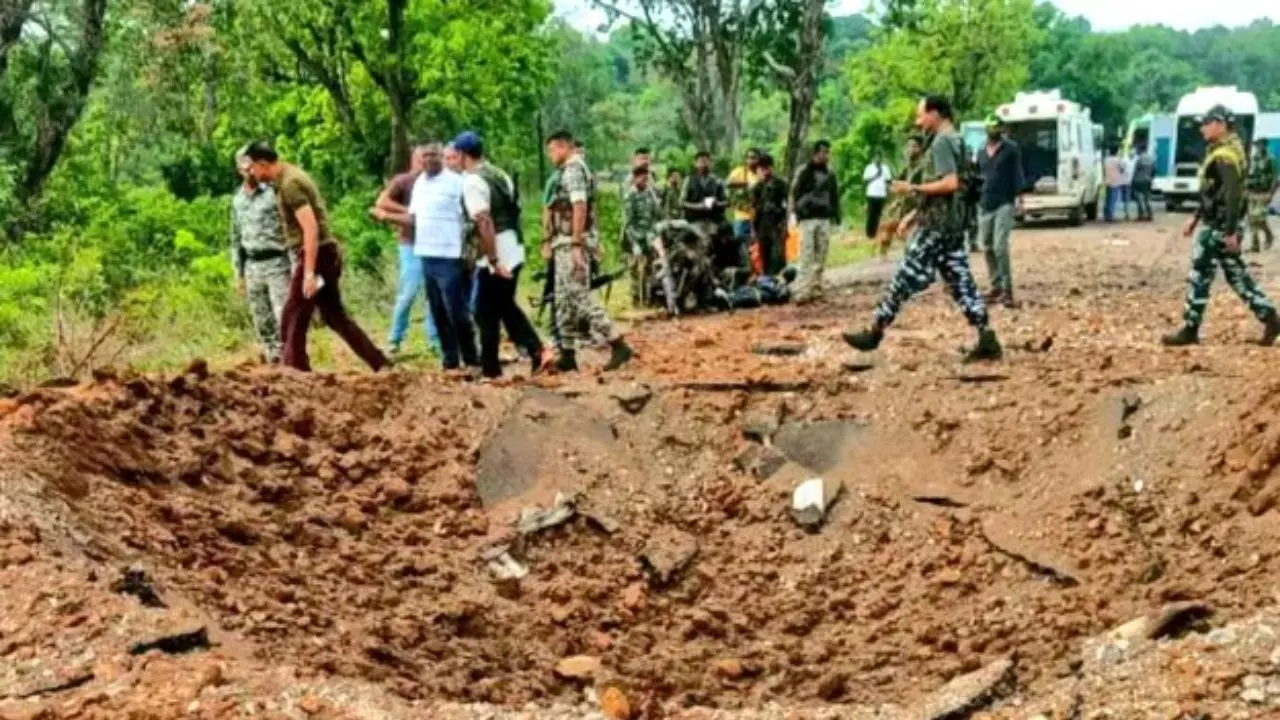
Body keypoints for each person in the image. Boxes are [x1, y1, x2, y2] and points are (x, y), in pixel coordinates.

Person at [843, 95, 1002, 362]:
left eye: (921, 115)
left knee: (904, 276)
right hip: (952, 224)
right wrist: (914, 214)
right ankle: (986, 336)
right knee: (961, 282)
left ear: (936, 113)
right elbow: (958, 188)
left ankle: (875, 331)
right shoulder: (958, 140)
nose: (918, 122)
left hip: (936, 226)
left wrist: (911, 188)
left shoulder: (941, 143)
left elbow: (949, 184)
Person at [243, 142, 389, 372]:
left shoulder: (290, 184)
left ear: (262, 164)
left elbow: (310, 228)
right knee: (334, 316)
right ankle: (380, 363)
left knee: (293, 314)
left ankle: (295, 371)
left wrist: (309, 273)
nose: (250, 173)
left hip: (318, 255)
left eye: (251, 168)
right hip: (323, 255)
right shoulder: (286, 178)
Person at [1162, 106, 1279, 348]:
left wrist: (1229, 231)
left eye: (1206, 123)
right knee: (1237, 275)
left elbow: (1232, 195)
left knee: (1200, 274)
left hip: (1218, 226)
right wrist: (1195, 217)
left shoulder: (1225, 155)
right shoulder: (1227, 150)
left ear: (1220, 124)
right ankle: (1270, 317)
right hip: (1218, 223)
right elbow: (1212, 192)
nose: (1202, 128)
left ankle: (1190, 328)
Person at [374, 142, 477, 370]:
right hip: (426, 253)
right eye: (425, 156)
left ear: (442, 157)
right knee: (438, 311)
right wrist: (385, 216)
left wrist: (470, 252)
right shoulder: (420, 183)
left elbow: (472, 218)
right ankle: (450, 360)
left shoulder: (457, 183)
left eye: (434, 155)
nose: (429, 159)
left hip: (450, 255)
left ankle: (471, 358)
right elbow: (414, 218)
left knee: (456, 310)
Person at [452, 132, 544, 378]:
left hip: (497, 252)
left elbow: (484, 221)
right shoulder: (498, 174)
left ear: (462, 155)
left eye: (455, 155)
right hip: (513, 244)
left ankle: (538, 351)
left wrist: (493, 259)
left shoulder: (472, 181)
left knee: (501, 307)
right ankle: (490, 366)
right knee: (486, 309)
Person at [543, 130, 634, 372]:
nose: (550, 155)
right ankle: (568, 352)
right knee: (563, 300)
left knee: (579, 296)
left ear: (563, 146)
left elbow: (579, 205)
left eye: (551, 150)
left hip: (572, 242)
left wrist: (576, 243)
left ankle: (617, 342)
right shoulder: (568, 170)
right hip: (562, 241)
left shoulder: (573, 170)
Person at [372, 143, 441, 356]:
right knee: (409, 291)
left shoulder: (434, 182)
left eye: (428, 159)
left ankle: (434, 339)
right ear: (413, 160)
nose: (424, 163)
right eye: (421, 159)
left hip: (432, 243)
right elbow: (381, 202)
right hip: (410, 244)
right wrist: (410, 211)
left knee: (433, 293)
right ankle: (395, 338)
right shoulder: (403, 181)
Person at [230, 147, 291, 364]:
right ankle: (271, 357)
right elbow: (235, 238)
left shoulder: (273, 193)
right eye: (245, 169)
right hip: (253, 264)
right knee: (261, 317)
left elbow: (288, 228)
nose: (250, 173)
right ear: (239, 170)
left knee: (283, 313)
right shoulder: (237, 200)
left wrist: (294, 265)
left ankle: (290, 357)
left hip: (276, 261)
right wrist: (238, 273)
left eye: (251, 167)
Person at [975, 114, 1023, 307]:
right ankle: (996, 287)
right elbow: (977, 175)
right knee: (986, 246)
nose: (993, 131)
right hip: (986, 202)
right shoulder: (980, 151)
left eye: (997, 128)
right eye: (990, 128)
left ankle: (1007, 290)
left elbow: (1017, 174)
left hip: (1005, 201)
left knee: (999, 247)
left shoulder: (1011, 149)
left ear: (1001, 129)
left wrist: (1019, 197)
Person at [791, 139, 840, 304]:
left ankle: (816, 290)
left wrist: (836, 216)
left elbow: (834, 195)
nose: (826, 155)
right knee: (806, 256)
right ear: (815, 153)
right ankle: (802, 291)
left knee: (821, 256)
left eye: (827, 152)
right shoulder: (804, 171)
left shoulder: (830, 173)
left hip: (824, 218)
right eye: (823, 152)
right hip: (808, 219)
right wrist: (795, 214)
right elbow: (795, 193)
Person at [876, 134, 926, 259]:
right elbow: (898, 182)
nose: (910, 149)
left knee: (913, 239)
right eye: (908, 146)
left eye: (914, 146)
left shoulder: (924, 166)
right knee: (889, 227)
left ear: (920, 148)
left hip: (920, 206)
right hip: (906, 204)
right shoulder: (908, 166)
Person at [623, 165, 662, 307]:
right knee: (635, 270)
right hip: (635, 237)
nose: (644, 181)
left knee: (650, 269)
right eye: (642, 178)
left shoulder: (650, 193)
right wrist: (635, 244)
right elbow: (628, 224)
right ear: (635, 179)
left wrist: (654, 195)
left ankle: (649, 299)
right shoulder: (630, 196)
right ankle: (636, 300)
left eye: (647, 178)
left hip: (649, 236)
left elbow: (657, 215)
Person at [750, 153, 789, 277]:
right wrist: (753, 229)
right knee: (764, 252)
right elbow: (753, 209)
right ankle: (768, 280)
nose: (764, 171)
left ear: (771, 168)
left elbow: (788, 204)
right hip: (762, 223)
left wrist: (786, 224)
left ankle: (781, 278)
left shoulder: (780, 184)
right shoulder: (757, 187)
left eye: (766, 168)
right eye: (761, 168)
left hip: (777, 222)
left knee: (778, 254)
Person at [683, 151, 728, 245]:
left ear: (711, 163)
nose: (703, 164)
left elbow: (727, 201)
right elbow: (682, 202)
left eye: (706, 161)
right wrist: (697, 206)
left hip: (713, 221)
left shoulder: (718, 181)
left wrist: (717, 203)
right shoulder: (689, 180)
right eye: (700, 162)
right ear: (695, 164)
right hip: (694, 221)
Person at [727, 148, 762, 270]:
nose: (751, 160)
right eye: (749, 157)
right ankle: (743, 270)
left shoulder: (761, 173)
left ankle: (756, 270)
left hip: (757, 216)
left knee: (756, 246)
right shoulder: (740, 171)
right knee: (740, 244)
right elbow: (728, 184)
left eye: (754, 157)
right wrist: (745, 184)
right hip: (742, 216)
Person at [1247, 138, 1277, 252]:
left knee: (1259, 217)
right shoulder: (1253, 159)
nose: (1259, 147)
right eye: (1257, 145)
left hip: (1264, 192)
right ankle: (1255, 245)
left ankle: (1269, 235)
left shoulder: (1271, 159)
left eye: (1261, 145)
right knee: (1251, 219)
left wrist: (1271, 194)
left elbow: (1275, 179)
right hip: (1252, 191)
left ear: (1265, 145)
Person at [862, 151, 891, 240]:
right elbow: (865, 180)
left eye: (879, 157)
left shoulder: (885, 168)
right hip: (871, 194)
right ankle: (869, 233)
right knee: (871, 214)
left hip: (881, 194)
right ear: (873, 158)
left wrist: (888, 192)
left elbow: (888, 180)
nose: (878, 159)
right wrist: (876, 175)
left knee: (878, 215)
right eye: (876, 157)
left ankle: (874, 233)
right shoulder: (869, 168)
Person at [1131, 142, 1156, 222]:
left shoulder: (1139, 158)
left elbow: (1136, 170)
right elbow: (1154, 170)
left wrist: (1133, 180)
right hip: (1147, 180)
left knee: (1139, 198)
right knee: (1147, 198)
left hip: (1138, 180)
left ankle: (1141, 215)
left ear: (1141, 149)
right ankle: (1150, 215)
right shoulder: (1152, 158)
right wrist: (1151, 178)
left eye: (1138, 149)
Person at [1104, 147, 1124, 222]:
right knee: (1113, 199)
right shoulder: (1118, 160)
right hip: (1115, 182)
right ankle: (1111, 216)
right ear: (1116, 152)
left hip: (1108, 181)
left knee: (1107, 199)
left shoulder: (1106, 160)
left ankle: (1106, 215)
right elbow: (1122, 169)